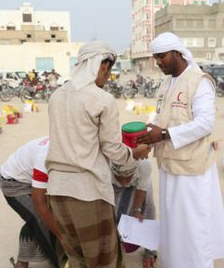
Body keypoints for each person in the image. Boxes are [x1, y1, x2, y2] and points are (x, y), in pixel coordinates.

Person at [45, 41, 150, 268]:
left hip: (57, 192)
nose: (108, 77)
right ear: (102, 66)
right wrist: (135, 152)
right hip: (87, 193)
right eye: (109, 70)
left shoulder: (56, 95)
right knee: (103, 260)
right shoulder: (102, 99)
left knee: (76, 257)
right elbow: (113, 149)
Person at [136, 32, 224, 268]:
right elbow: (162, 116)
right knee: (174, 228)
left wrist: (165, 134)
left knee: (193, 228)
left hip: (192, 172)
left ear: (177, 53)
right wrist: (150, 135)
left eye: (161, 57)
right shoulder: (168, 82)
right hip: (169, 166)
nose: (158, 62)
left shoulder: (200, 82)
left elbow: (205, 123)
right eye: (155, 57)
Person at [0, 137, 64, 268]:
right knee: (43, 221)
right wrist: (63, 238)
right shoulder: (46, 157)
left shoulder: (66, 145)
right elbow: (40, 204)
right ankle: (60, 263)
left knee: (44, 217)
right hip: (13, 183)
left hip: (32, 179)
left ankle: (22, 262)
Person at [110, 159, 157, 268]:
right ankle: (114, 241)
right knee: (111, 210)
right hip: (111, 184)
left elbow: (142, 189)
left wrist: (137, 210)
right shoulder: (105, 166)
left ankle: (150, 251)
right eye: (121, 178)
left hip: (139, 183)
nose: (124, 182)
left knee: (148, 208)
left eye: (127, 178)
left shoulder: (144, 165)